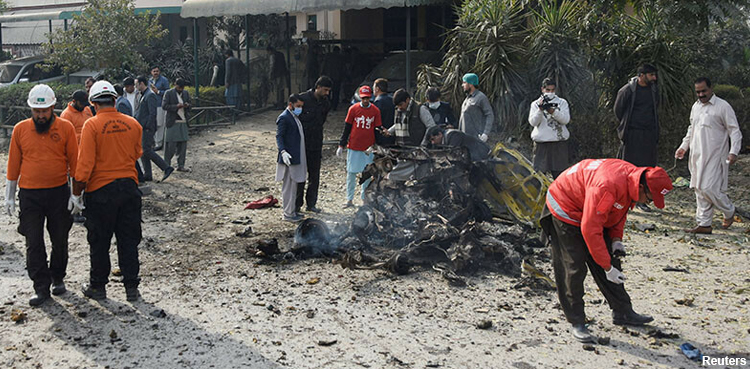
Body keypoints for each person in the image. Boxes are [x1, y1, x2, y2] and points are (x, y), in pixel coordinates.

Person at [539, 159, 673, 343]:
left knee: (611, 258)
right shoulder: (607, 186)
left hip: (590, 209)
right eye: (650, 199)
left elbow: (619, 210)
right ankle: (577, 321)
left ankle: (623, 312)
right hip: (566, 207)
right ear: (642, 187)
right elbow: (590, 229)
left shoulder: (631, 179)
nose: (649, 202)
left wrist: (616, 240)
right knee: (574, 265)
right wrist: (606, 267)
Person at [5, 84, 78, 306]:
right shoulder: (20, 130)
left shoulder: (66, 128)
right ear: (31, 110)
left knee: (60, 239)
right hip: (30, 195)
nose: (41, 115)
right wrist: (9, 195)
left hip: (58, 192)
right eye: (37, 112)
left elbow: (74, 164)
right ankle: (41, 286)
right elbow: (13, 164)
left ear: (53, 107)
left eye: (44, 111)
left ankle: (58, 277)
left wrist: (76, 195)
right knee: (33, 241)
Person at [73, 80, 144, 302]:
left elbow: (84, 166)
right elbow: (137, 154)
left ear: (93, 103)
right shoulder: (133, 124)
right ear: (115, 100)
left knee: (100, 242)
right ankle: (131, 288)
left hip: (101, 192)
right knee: (129, 240)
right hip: (129, 189)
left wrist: (76, 194)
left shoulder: (91, 125)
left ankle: (98, 287)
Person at [675, 77, 743, 234]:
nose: (701, 95)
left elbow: (734, 130)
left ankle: (729, 210)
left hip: (715, 155)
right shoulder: (696, 107)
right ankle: (704, 224)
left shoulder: (723, 106)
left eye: (703, 91)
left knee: (709, 188)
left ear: (711, 89)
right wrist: (683, 147)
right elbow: (691, 129)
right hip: (697, 155)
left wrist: (734, 151)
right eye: (698, 92)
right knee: (699, 189)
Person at [337, 86, 383, 208]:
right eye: (363, 98)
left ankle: (364, 199)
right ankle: (349, 199)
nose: (366, 101)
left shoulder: (375, 111)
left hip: (368, 148)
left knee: (367, 174)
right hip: (354, 146)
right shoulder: (353, 109)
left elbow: (377, 129)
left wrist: (378, 147)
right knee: (351, 173)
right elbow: (347, 128)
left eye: (368, 98)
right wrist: (341, 144)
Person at [296, 76, 333, 213]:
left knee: (314, 176)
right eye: (325, 90)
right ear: (317, 87)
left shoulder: (325, 103)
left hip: (316, 143)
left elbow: (321, 121)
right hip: (301, 144)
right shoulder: (302, 99)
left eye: (328, 91)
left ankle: (311, 204)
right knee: (300, 176)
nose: (327, 93)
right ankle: (296, 205)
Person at [528, 78, 572, 179]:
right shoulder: (535, 104)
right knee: (539, 175)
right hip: (541, 144)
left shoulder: (562, 102)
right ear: (542, 89)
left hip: (558, 144)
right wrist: (540, 110)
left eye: (552, 90)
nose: (550, 93)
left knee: (560, 176)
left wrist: (553, 111)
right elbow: (533, 122)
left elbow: (565, 120)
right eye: (548, 90)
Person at [135, 75, 174, 182]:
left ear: (141, 84)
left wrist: (148, 126)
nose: (135, 87)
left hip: (147, 128)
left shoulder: (150, 95)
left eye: (136, 84)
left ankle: (166, 167)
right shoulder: (143, 95)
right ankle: (148, 174)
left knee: (146, 150)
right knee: (144, 150)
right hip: (143, 127)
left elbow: (152, 113)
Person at [276, 94, 307, 222]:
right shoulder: (284, 118)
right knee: (288, 187)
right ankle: (288, 214)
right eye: (298, 106)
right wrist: (283, 151)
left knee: (294, 186)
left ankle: (292, 211)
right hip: (288, 158)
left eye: (301, 106)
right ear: (290, 105)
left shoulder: (294, 117)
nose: (300, 109)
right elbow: (279, 136)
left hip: (296, 156)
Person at [162, 78, 192, 172]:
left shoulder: (186, 93)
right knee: (170, 145)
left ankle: (181, 165)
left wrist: (187, 105)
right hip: (172, 122)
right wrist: (176, 106)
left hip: (183, 121)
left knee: (183, 145)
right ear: (175, 85)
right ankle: (166, 166)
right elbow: (164, 106)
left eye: (182, 88)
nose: (180, 89)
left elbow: (191, 105)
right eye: (179, 87)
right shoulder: (168, 93)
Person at [459, 73, 494, 143]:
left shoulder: (481, 97)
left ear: (471, 84)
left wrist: (485, 134)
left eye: (464, 83)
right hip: (465, 138)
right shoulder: (467, 98)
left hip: (477, 138)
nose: (462, 85)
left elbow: (490, 115)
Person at [425, 126, 489, 161]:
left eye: (433, 139)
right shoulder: (445, 139)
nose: (433, 143)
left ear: (439, 134)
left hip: (480, 153)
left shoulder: (452, 135)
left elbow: (453, 153)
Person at [149, 66, 170, 150]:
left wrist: (158, 92)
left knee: (160, 124)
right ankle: (153, 142)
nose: (155, 73)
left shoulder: (164, 80)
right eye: (154, 71)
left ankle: (159, 143)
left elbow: (168, 92)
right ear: (151, 72)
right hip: (151, 105)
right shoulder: (149, 81)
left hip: (160, 104)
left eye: (157, 71)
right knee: (153, 123)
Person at [322, 46, 345, 110]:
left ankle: (328, 106)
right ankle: (334, 106)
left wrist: (322, 75)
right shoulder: (340, 58)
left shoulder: (328, 57)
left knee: (327, 92)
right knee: (336, 93)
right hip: (337, 78)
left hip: (328, 77)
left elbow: (324, 67)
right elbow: (343, 68)